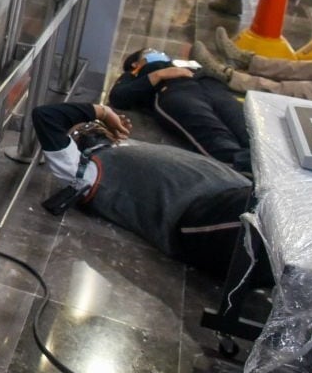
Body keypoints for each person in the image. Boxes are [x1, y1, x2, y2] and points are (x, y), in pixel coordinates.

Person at [32, 101, 255, 277]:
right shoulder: (84, 171)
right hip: (206, 214)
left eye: (91, 124)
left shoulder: (128, 147)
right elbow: (46, 116)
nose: (88, 127)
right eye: (79, 130)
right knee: (264, 225)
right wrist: (102, 112)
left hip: (240, 191)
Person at [108, 49, 251, 172]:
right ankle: (245, 167)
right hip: (176, 90)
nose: (158, 53)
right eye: (149, 51)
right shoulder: (135, 73)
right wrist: (159, 74)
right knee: (215, 135)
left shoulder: (183, 64)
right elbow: (118, 97)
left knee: (248, 129)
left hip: (211, 87)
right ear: (135, 63)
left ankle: (258, 161)